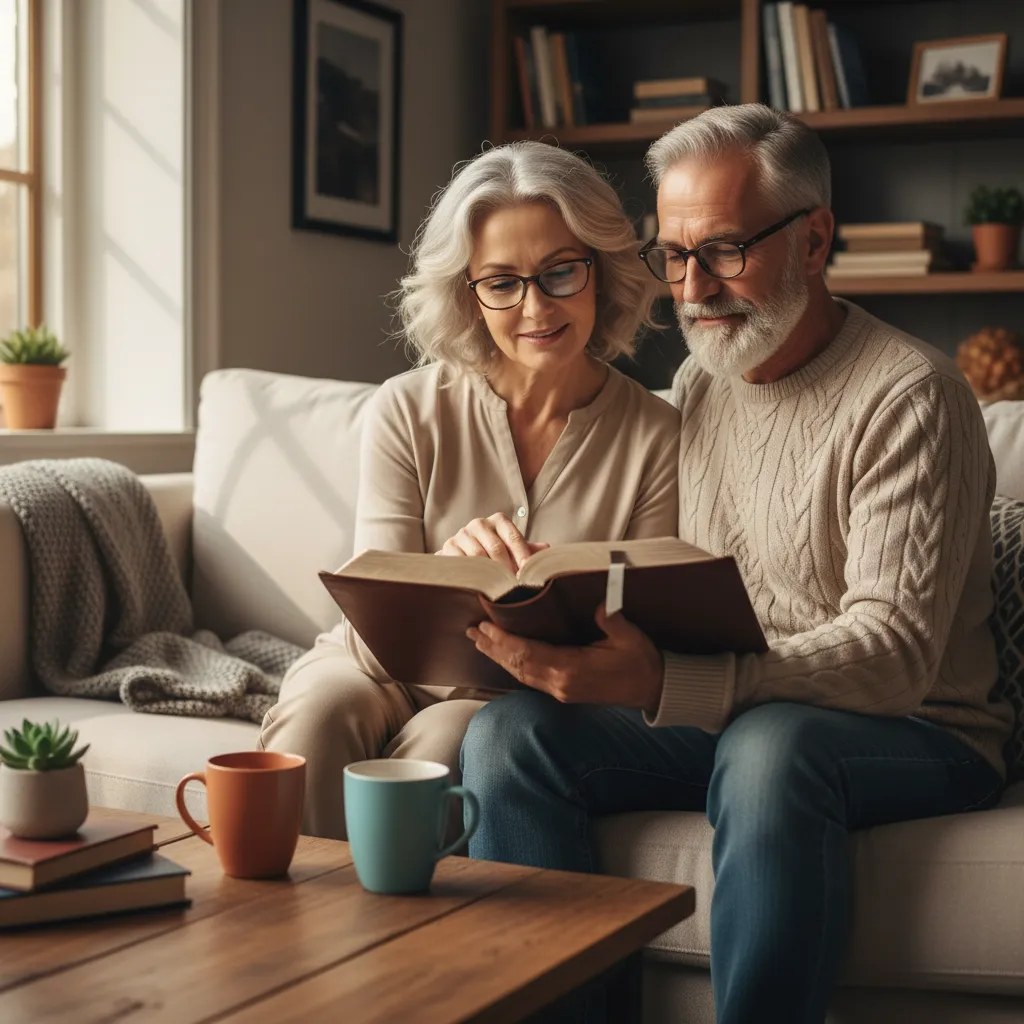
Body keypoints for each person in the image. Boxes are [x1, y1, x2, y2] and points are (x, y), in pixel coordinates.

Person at [459, 105, 1014, 1024]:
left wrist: (678, 681)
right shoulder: (701, 382)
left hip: (918, 728)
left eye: (723, 250)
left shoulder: (914, 397)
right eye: (672, 257)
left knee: (769, 747)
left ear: (814, 237)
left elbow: (895, 652)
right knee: (509, 736)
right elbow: (670, 571)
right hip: (741, 704)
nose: (694, 289)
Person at [259, 141, 682, 840]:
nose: (534, 306)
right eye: (502, 282)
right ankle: (285, 941)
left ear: (601, 271)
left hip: (515, 692)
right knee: (317, 715)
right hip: (373, 667)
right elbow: (374, 635)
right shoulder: (404, 408)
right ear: (470, 294)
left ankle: (402, 949)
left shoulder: (657, 435)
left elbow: (631, 637)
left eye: (559, 272)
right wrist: (450, 573)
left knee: (445, 743)